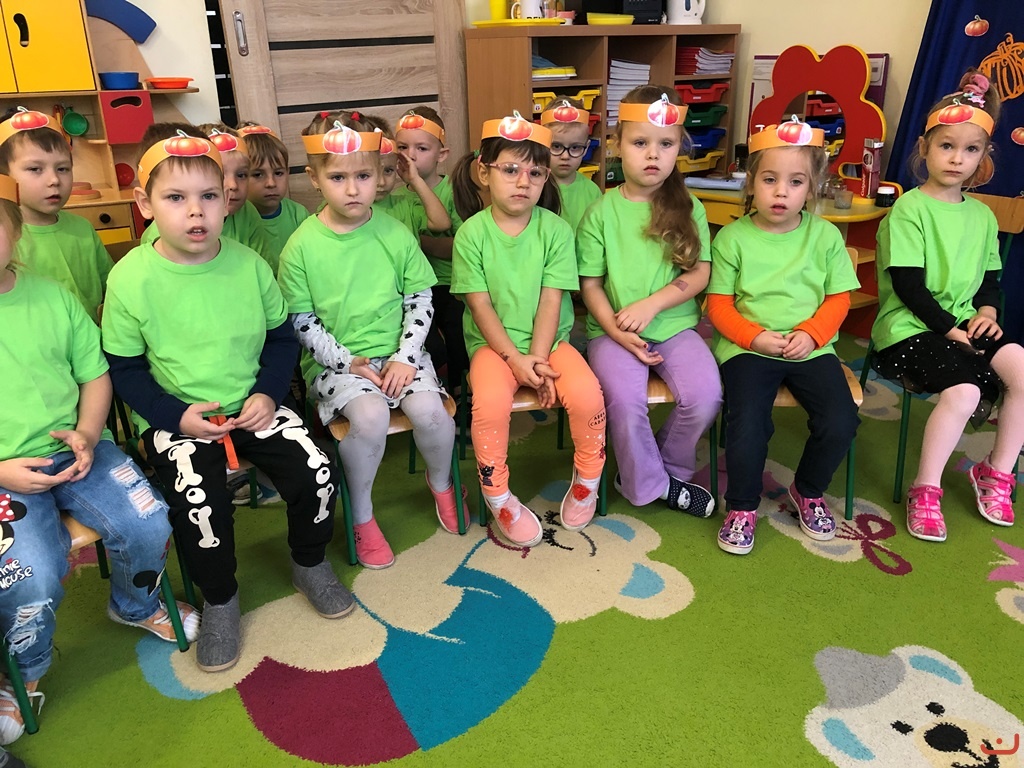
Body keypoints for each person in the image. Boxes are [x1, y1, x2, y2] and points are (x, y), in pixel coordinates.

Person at [102, 132, 351, 673]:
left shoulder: (249, 264)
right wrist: (175, 416)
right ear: (145, 204)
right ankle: (220, 600)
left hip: (253, 405)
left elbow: (281, 340)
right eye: (176, 198)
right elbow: (125, 369)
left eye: (209, 196)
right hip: (178, 419)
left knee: (317, 470)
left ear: (225, 198)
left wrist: (266, 393)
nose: (196, 211)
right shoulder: (129, 277)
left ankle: (309, 563)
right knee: (200, 506)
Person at [0, 173, 197, 743]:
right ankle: (25, 669)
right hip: (5, 478)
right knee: (28, 574)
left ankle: (135, 605)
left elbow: (94, 374)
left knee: (150, 518)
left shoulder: (52, 298)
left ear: (15, 230)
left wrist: (88, 432)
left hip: (79, 450)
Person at [278, 111, 464, 570]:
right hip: (338, 364)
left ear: (380, 175)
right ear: (315, 179)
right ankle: (362, 515)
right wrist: (348, 361)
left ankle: (441, 484)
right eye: (338, 177)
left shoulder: (395, 232)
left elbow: (420, 298)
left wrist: (405, 357)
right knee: (370, 416)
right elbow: (302, 320)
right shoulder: (300, 246)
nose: (353, 189)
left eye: (363, 176)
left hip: (402, 354)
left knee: (432, 415)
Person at [871, 70, 1022, 541]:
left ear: (983, 156)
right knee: (965, 391)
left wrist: (987, 314)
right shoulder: (910, 209)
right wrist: (953, 330)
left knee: (1021, 365)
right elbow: (909, 288)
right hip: (908, 328)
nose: (958, 159)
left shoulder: (982, 216)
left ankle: (996, 472)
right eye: (947, 146)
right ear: (925, 148)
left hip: (962, 323)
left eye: (970, 149)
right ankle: (926, 488)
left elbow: (990, 282)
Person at [451, 111, 606, 545]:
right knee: (489, 405)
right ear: (484, 173)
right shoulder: (471, 235)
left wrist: (536, 358)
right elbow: (480, 306)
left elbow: (551, 300)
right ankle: (498, 496)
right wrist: (515, 360)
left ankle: (588, 480)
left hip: (549, 344)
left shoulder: (555, 230)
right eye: (511, 170)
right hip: (493, 347)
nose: (524, 182)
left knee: (588, 395)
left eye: (535, 173)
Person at [707, 117, 860, 555]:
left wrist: (812, 334)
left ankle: (807, 491)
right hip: (747, 349)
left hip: (811, 349)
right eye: (770, 179)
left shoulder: (825, 236)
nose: (781, 192)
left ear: (811, 188)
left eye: (796, 182)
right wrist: (754, 337)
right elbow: (718, 305)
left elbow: (839, 298)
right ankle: (742, 506)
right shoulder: (732, 238)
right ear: (751, 182)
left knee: (841, 420)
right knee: (747, 425)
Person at [577, 87, 721, 519]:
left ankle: (664, 472)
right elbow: (590, 285)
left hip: (675, 326)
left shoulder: (690, 206)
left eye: (666, 144)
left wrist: (653, 305)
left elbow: (700, 273)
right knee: (624, 402)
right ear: (617, 144)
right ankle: (654, 484)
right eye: (640, 142)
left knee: (707, 395)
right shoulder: (600, 213)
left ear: (680, 147)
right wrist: (617, 331)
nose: (653, 154)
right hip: (612, 332)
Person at [0, 108, 111, 322]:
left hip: (93, 337)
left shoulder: (83, 228)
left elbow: (111, 285)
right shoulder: (6, 241)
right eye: (35, 169)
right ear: (4, 176)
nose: (54, 180)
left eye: (62, 169)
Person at [394, 107, 469, 387]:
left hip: (448, 283)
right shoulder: (394, 197)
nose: (410, 155)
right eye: (402, 147)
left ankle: (462, 387)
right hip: (409, 288)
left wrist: (418, 243)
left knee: (458, 333)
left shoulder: (454, 191)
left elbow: (462, 247)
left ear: (442, 154)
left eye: (422, 148)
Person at [139, 123, 274, 267]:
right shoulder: (154, 240)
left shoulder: (249, 215)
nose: (233, 185)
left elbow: (262, 265)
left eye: (208, 195)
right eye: (176, 197)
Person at [358, 112, 450, 235]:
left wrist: (415, 180)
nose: (382, 182)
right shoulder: (349, 211)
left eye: (388, 171)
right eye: (365, 175)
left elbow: (441, 224)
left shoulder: (404, 204)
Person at [237, 122, 309, 275]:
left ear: (287, 172)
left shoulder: (299, 215)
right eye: (258, 174)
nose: (271, 183)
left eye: (278, 173)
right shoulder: (238, 221)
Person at [540, 96, 601, 231]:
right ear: (543, 144)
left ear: (586, 147)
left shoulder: (592, 192)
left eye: (575, 147)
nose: (565, 156)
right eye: (556, 146)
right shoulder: (535, 187)